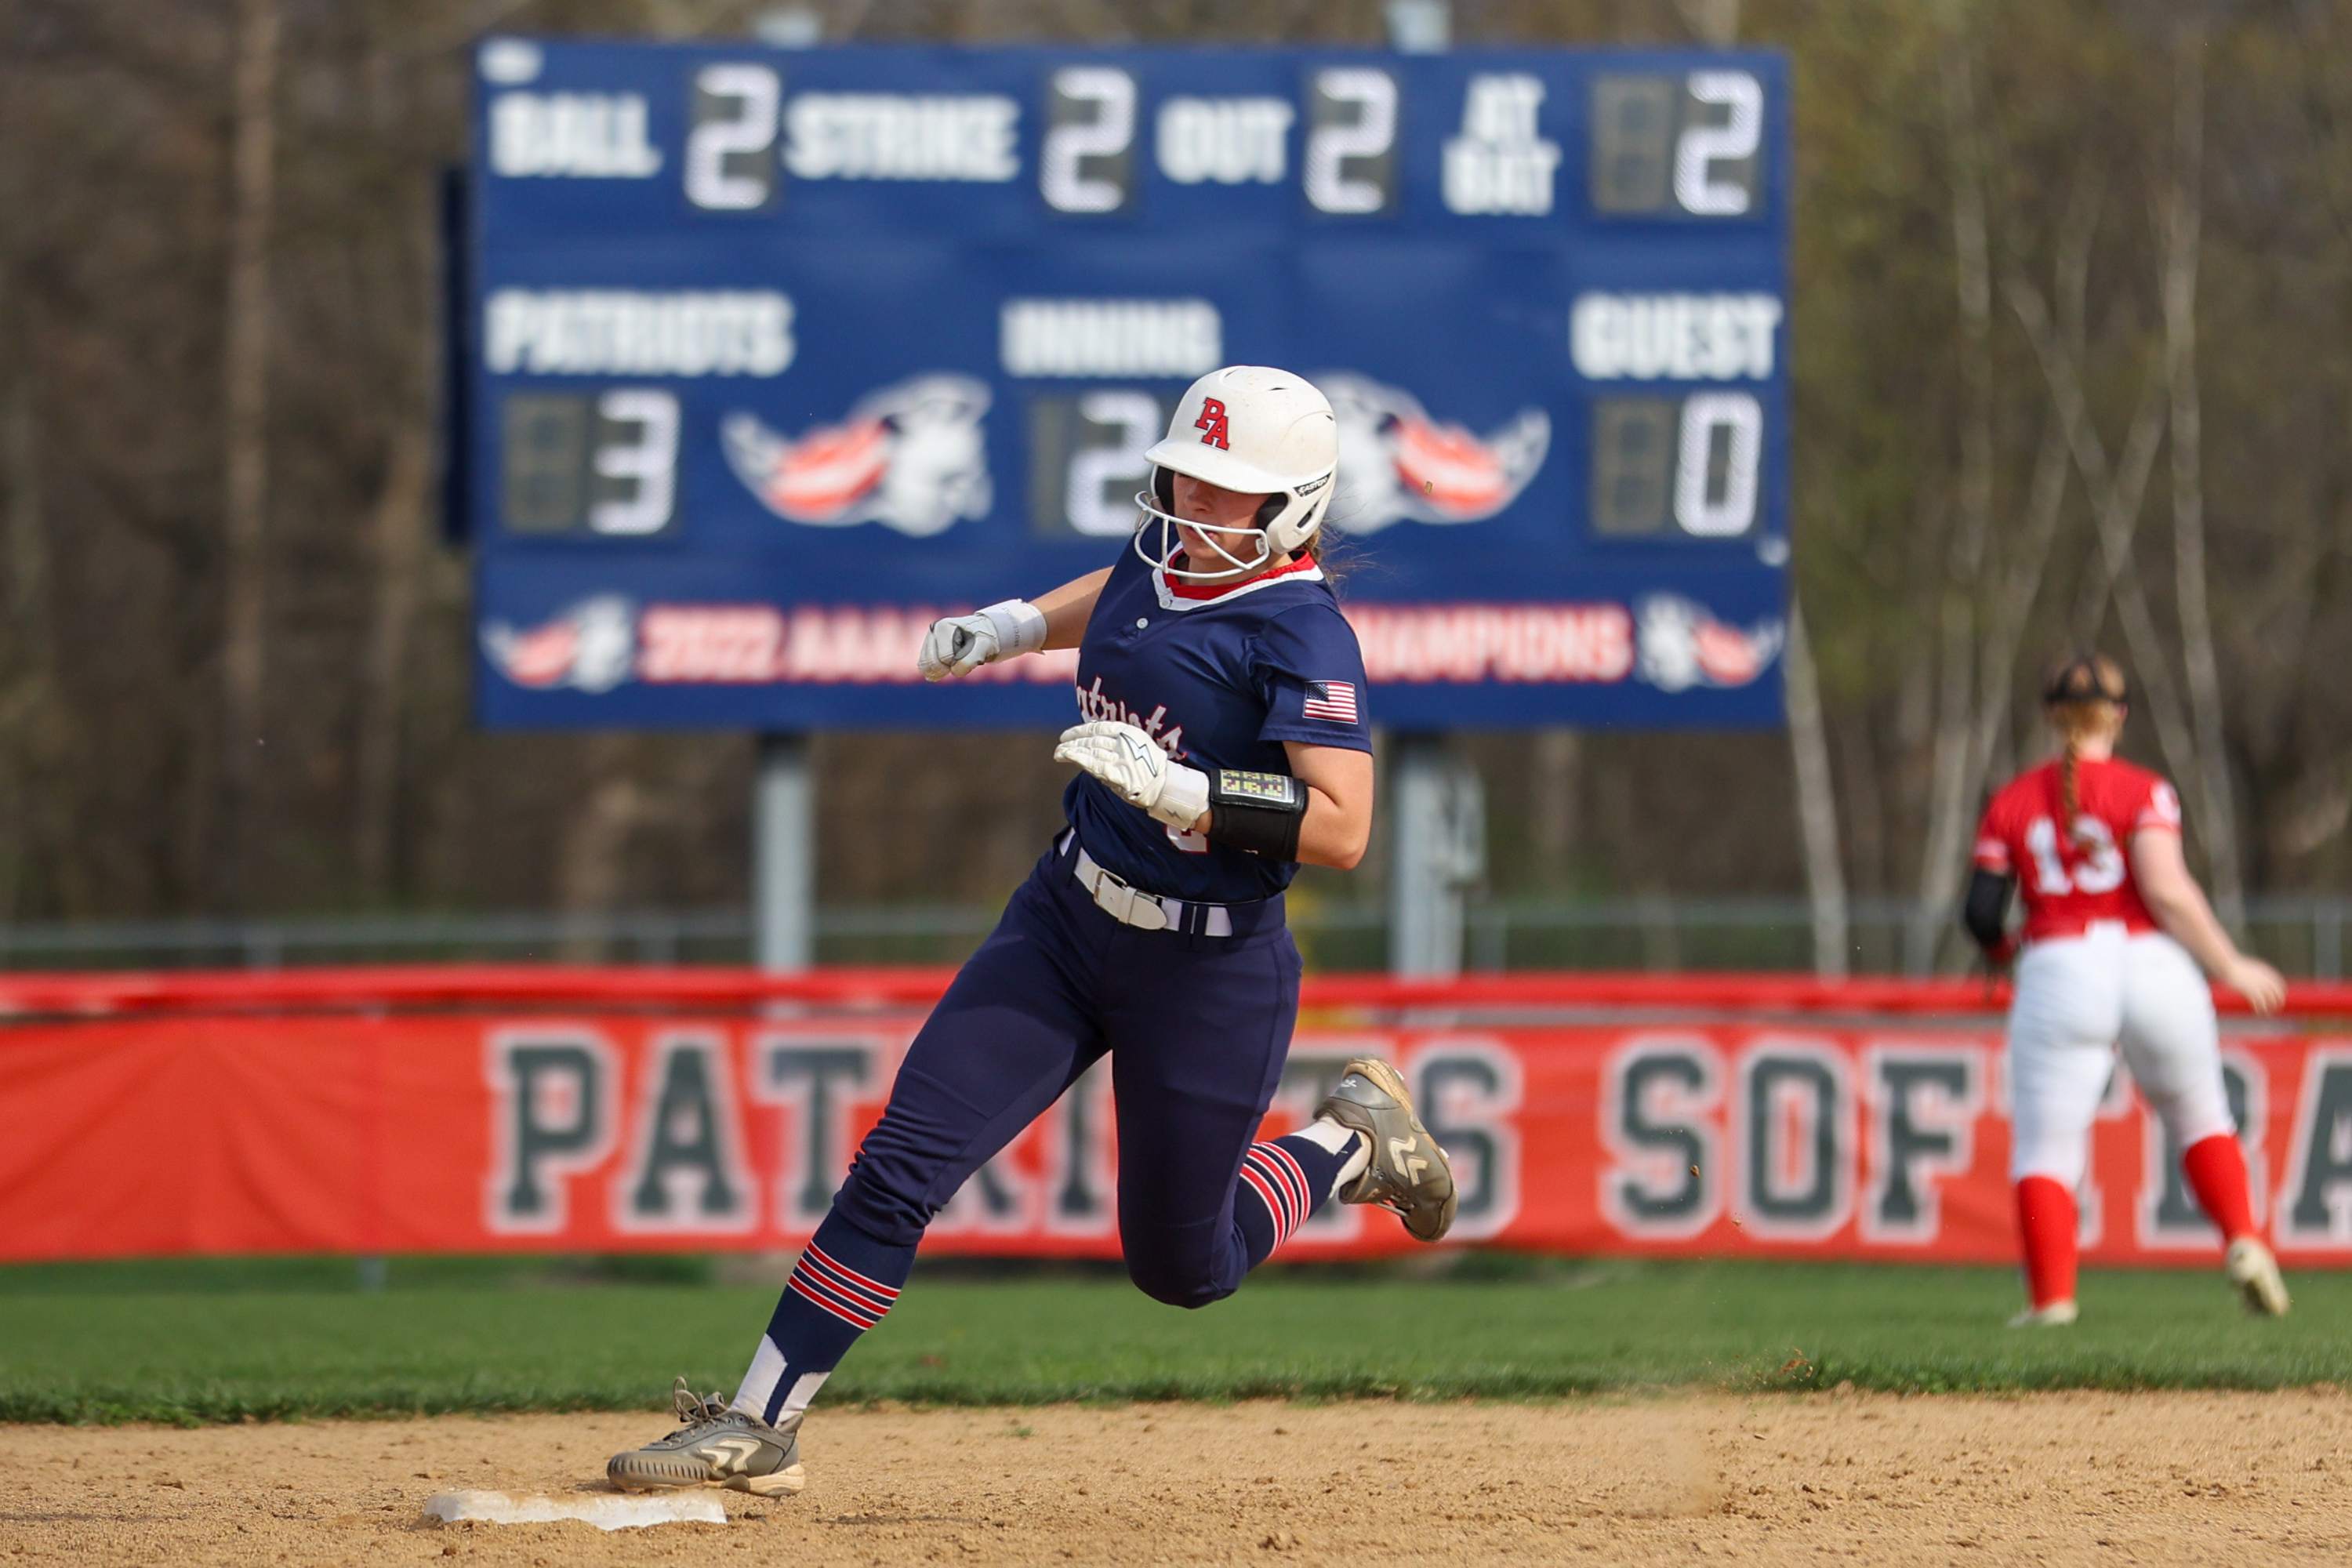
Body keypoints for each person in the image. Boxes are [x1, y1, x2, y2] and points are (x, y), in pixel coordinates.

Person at [604, 365, 1457, 1497]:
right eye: (1185, 479)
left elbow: (1346, 830)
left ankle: (1346, 1142)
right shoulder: (1166, 559)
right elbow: (1120, 591)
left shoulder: (1300, 632)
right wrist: (1011, 626)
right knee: (900, 1163)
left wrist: (1188, 795)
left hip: (1208, 969)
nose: (1194, 509)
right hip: (1065, 919)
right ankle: (760, 1422)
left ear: (1289, 506)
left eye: (1226, 492)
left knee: (1183, 1270)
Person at [1964, 653, 2289, 1327]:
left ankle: (2053, 1302)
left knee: (2047, 1149)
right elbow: (2166, 890)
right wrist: (2229, 964)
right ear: (2122, 714)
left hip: (2059, 970)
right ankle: (2244, 1240)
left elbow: (1981, 913)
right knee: (2201, 1115)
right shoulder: (2146, 791)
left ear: (2052, 716)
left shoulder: (2012, 801)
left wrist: (2003, 952)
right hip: (2152, 964)